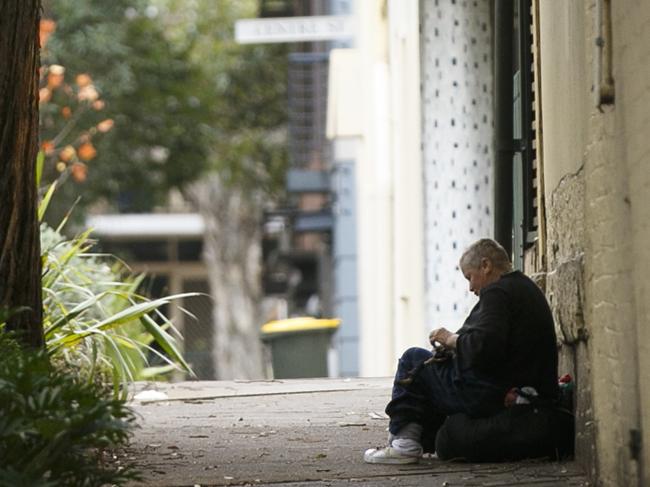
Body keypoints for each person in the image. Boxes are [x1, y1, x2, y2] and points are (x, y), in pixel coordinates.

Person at [364, 238, 559, 464]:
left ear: (485, 266)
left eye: (470, 277)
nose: (470, 288)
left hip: (491, 391)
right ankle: (414, 439)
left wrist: (450, 339)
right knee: (432, 372)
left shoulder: (497, 292)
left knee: (412, 359)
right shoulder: (522, 287)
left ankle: (403, 443)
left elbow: (484, 348)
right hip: (508, 387)